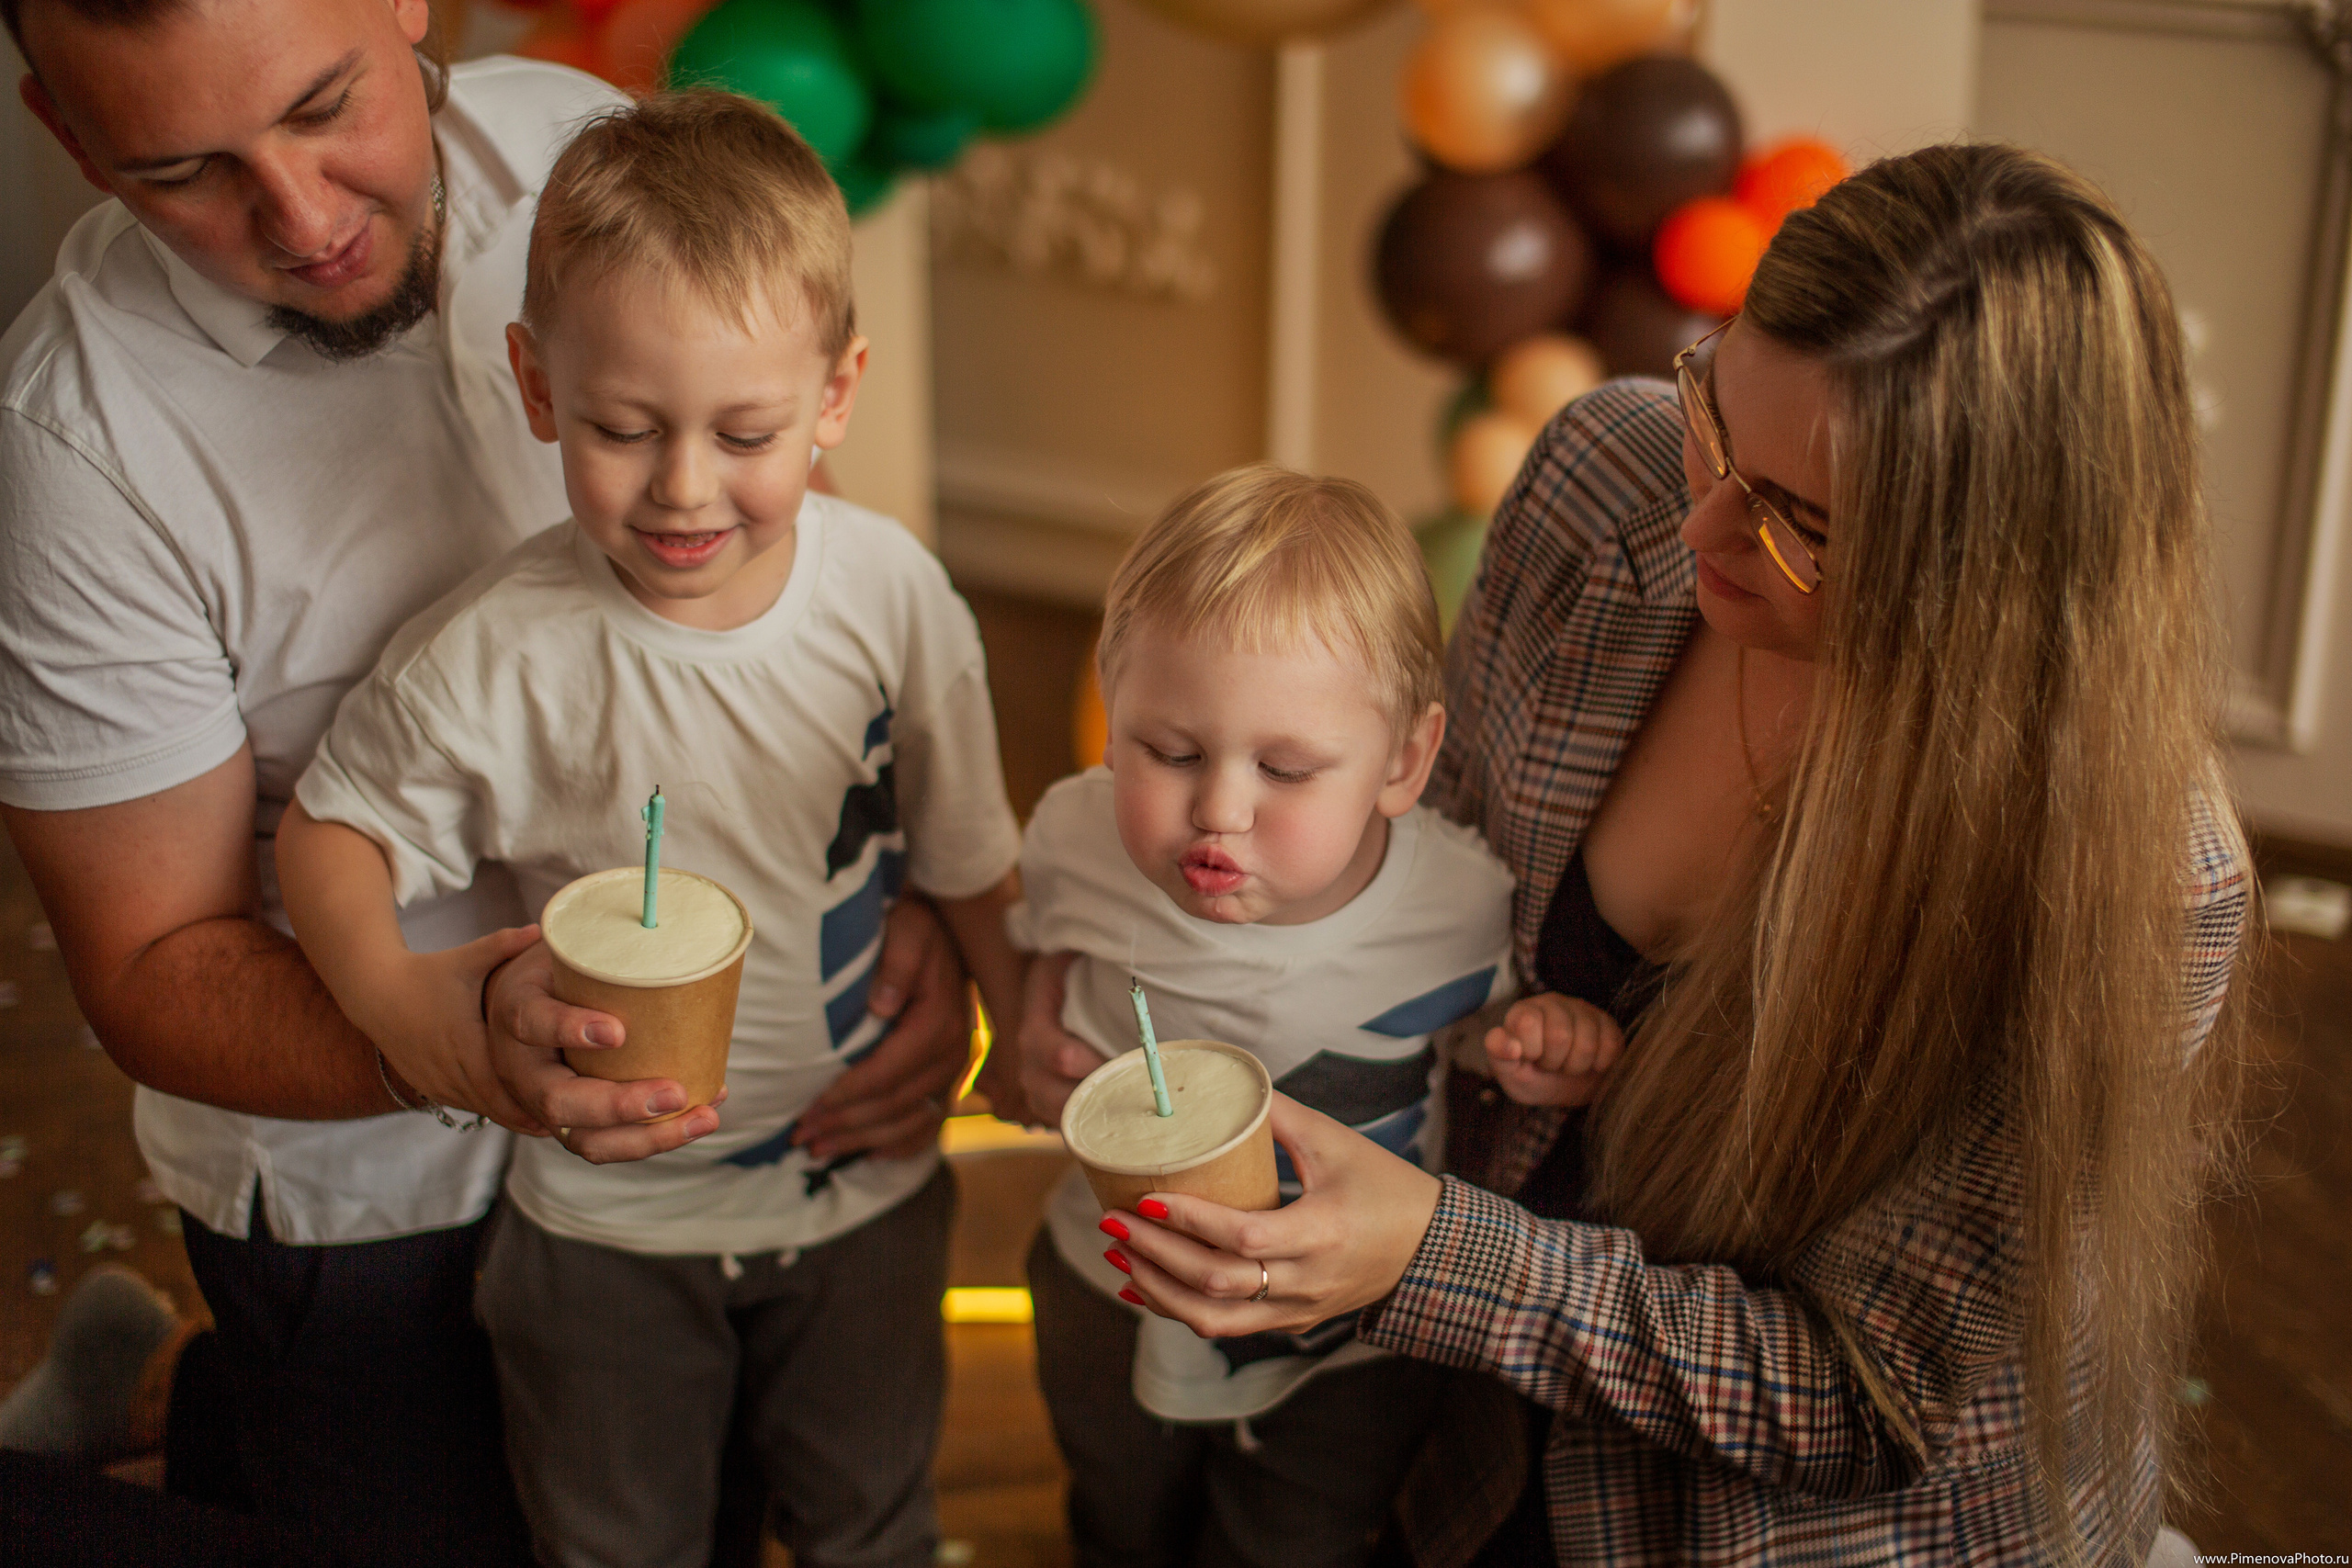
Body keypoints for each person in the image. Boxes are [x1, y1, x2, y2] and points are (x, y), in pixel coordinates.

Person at [1023, 143, 2252, 1565]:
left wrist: (1433, 1255)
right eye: (1717, 420)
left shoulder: (2132, 884)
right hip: (1453, 1427)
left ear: (1992, 578)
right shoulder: (1604, 475)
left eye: (1800, 521)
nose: (1702, 525)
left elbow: (1864, 1395)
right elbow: (1423, 873)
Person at [0, 1, 983, 1557]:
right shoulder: (72, 446)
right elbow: (146, 962)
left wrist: (897, 900)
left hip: (709, 1115)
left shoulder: (575, 150)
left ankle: (183, 1396)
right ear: (66, 133)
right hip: (364, 1181)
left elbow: (784, 519)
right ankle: (199, 1410)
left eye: (330, 108)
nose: (305, 220)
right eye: (186, 169)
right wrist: (434, 1040)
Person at [275, 90, 1028, 1568]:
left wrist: (1034, 1027)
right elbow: (331, 830)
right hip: (602, 1233)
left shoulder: (893, 598)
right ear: (538, 385)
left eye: (744, 431)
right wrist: (398, 1004)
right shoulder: (497, 651)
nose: (684, 488)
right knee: (615, 1543)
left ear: (835, 393)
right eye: (625, 428)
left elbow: (969, 858)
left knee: (872, 1522)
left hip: (862, 1193)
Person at [1014, 465, 1585, 1568]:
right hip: (1106, 1287)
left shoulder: (1457, 903)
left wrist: (1543, 1042)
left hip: (1349, 1348)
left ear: (1404, 761)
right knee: (1119, 1519)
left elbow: (1489, 1034)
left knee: (1293, 1544)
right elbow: (1040, 942)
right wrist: (1031, 1018)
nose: (1218, 808)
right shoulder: (1077, 837)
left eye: (1284, 768)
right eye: (1169, 752)